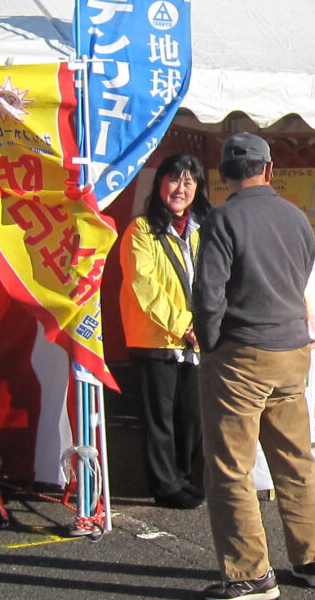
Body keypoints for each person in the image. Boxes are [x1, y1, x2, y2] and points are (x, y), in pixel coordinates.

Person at [192, 132, 315, 600]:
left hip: (242, 354)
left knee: (231, 466)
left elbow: (208, 294)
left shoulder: (221, 219)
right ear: (269, 170)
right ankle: (314, 559)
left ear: (225, 174)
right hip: (293, 350)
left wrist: (210, 344)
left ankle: (252, 574)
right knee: (296, 459)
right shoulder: (296, 218)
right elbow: (306, 271)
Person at [119, 153, 211, 510]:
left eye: (189, 182)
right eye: (174, 179)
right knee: (160, 418)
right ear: (160, 185)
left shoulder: (202, 229)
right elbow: (145, 286)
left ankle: (185, 477)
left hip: (195, 341)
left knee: (192, 415)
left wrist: (205, 325)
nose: (181, 188)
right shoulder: (141, 230)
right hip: (155, 338)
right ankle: (165, 486)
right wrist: (186, 326)